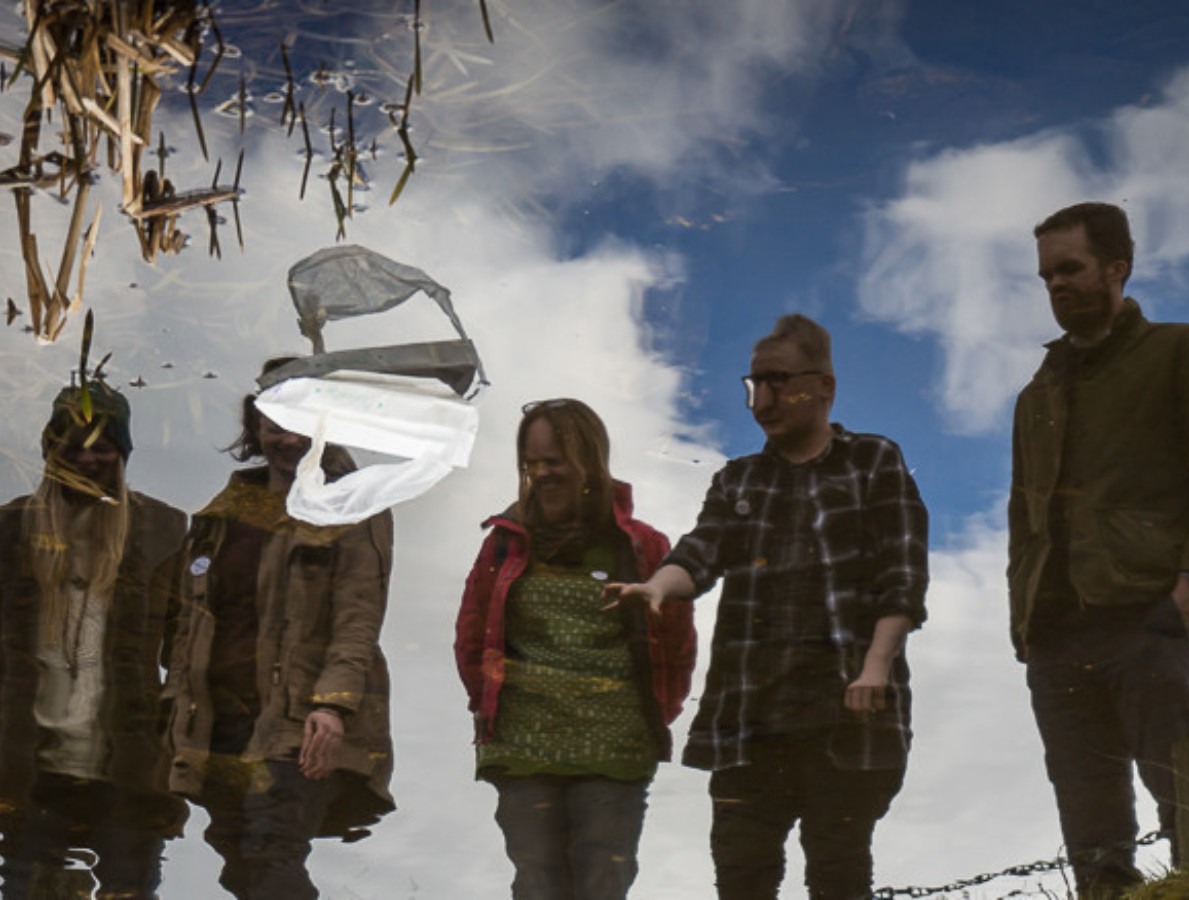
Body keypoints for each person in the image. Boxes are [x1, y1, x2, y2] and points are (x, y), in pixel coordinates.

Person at [605, 314, 929, 900]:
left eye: (778, 381)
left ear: (824, 386)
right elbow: (702, 551)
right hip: (749, 723)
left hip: (847, 716)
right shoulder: (739, 480)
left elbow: (901, 576)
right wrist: (658, 587)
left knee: (838, 871)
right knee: (742, 876)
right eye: (755, 384)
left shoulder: (873, 462)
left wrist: (875, 666)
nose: (764, 400)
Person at [1010, 202, 1189, 898]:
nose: (1056, 285)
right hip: (1057, 638)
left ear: (1117, 268)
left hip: (1149, 617)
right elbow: (1024, 521)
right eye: (1047, 275)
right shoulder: (1036, 395)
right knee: (1092, 837)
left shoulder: (1178, 349)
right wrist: (1025, 626)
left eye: (1071, 268)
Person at [164, 361, 395, 899]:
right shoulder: (223, 513)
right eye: (274, 425)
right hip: (219, 720)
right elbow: (187, 621)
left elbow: (359, 614)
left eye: (301, 425)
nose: (287, 439)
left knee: (273, 849)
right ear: (255, 426)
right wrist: (172, 703)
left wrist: (333, 706)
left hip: (298, 719)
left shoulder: (352, 504)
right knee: (240, 862)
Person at [454, 398, 696, 899]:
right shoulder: (504, 542)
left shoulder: (643, 546)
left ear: (589, 462)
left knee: (602, 882)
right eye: (530, 463)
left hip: (616, 746)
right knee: (536, 882)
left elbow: (676, 646)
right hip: (523, 747)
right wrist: (489, 706)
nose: (540, 474)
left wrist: (652, 719)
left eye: (553, 461)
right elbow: (473, 633)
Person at [0, 382, 187, 899]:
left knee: (131, 889)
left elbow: (187, 651)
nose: (87, 459)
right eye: (72, 447)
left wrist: (179, 748)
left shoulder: (163, 529)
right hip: (25, 764)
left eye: (103, 447)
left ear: (122, 454)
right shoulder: (10, 530)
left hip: (128, 766)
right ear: (50, 453)